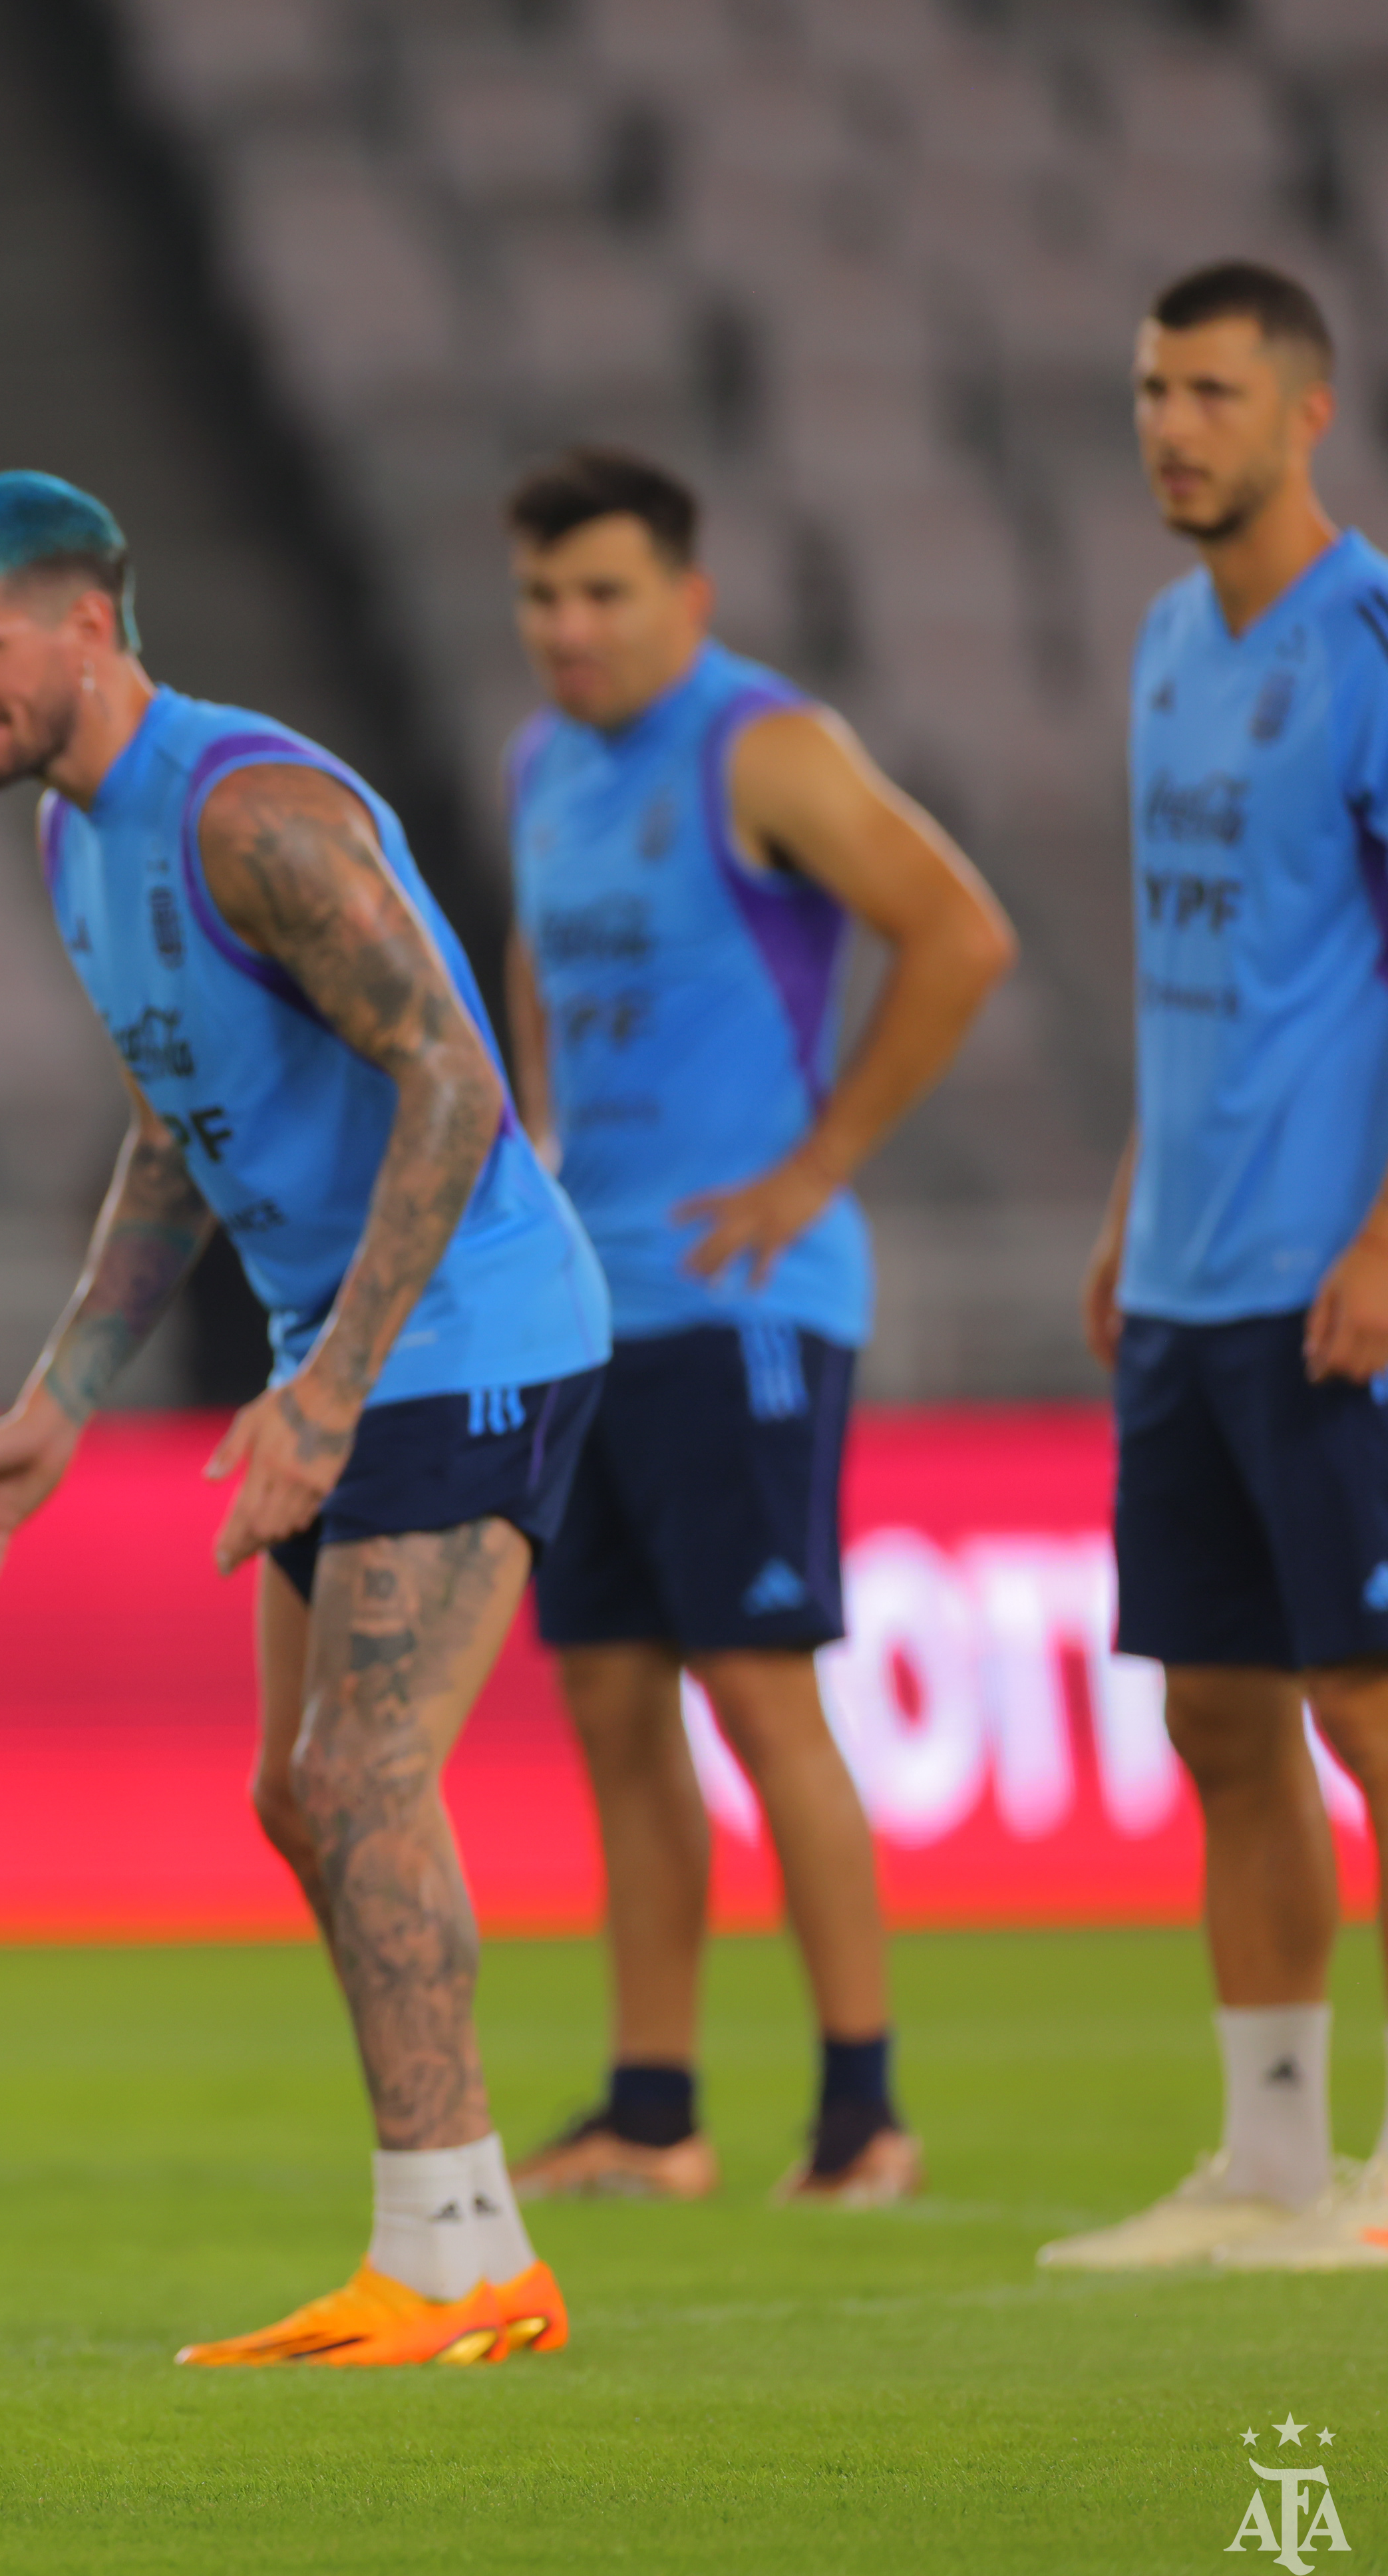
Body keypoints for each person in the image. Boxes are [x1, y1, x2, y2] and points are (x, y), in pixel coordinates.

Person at [0, 470, 610, 2366]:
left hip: (471, 1339)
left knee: (364, 1782)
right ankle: (434, 2250)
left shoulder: (253, 818)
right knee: (300, 1796)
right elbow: (176, 1123)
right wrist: (61, 1400)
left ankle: (471, 2265)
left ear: (91, 628)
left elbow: (455, 1088)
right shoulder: (73, 845)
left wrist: (328, 1389)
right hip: (345, 1357)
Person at [495, 447, 1016, 2209]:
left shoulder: (764, 745)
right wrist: (539, 1150)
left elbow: (957, 932)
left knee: (761, 1692)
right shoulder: (542, 767)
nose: (569, 628)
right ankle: (656, 2114)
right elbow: (535, 971)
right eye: (544, 597)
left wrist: (817, 1168)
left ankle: (862, 2111)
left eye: (604, 593)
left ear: (688, 599)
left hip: (747, 1302)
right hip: (597, 1307)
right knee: (616, 1701)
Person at [1043, 261, 1388, 2275]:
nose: (1174, 425)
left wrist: (1381, 1237)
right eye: (1156, 388)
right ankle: (1270, 2165)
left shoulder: (1362, 641)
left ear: (1308, 412)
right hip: (1184, 1270)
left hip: (1322, 1279)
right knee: (1221, 1720)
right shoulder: (1175, 635)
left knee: (1366, 1699)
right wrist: (1123, 1206)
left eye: (1215, 393)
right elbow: (1216, 964)